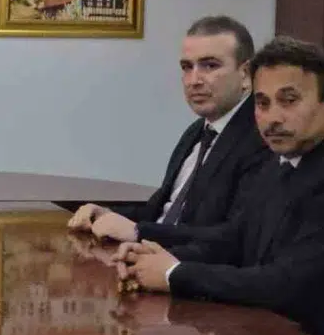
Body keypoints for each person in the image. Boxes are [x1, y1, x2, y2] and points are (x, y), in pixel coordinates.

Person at [116, 36, 324, 335]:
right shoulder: (276, 164)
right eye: (263, 103)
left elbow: (285, 284)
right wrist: (151, 256)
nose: (272, 118)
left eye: (289, 100)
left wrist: (174, 274)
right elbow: (233, 239)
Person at [68, 16, 266, 246]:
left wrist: (139, 232)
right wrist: (105, 214)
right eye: (187, 67)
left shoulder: (261, 138)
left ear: (245, 74)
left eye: (210, 66)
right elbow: (160, 211)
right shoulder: (197, 132)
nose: (193, 80)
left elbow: (234, 238)